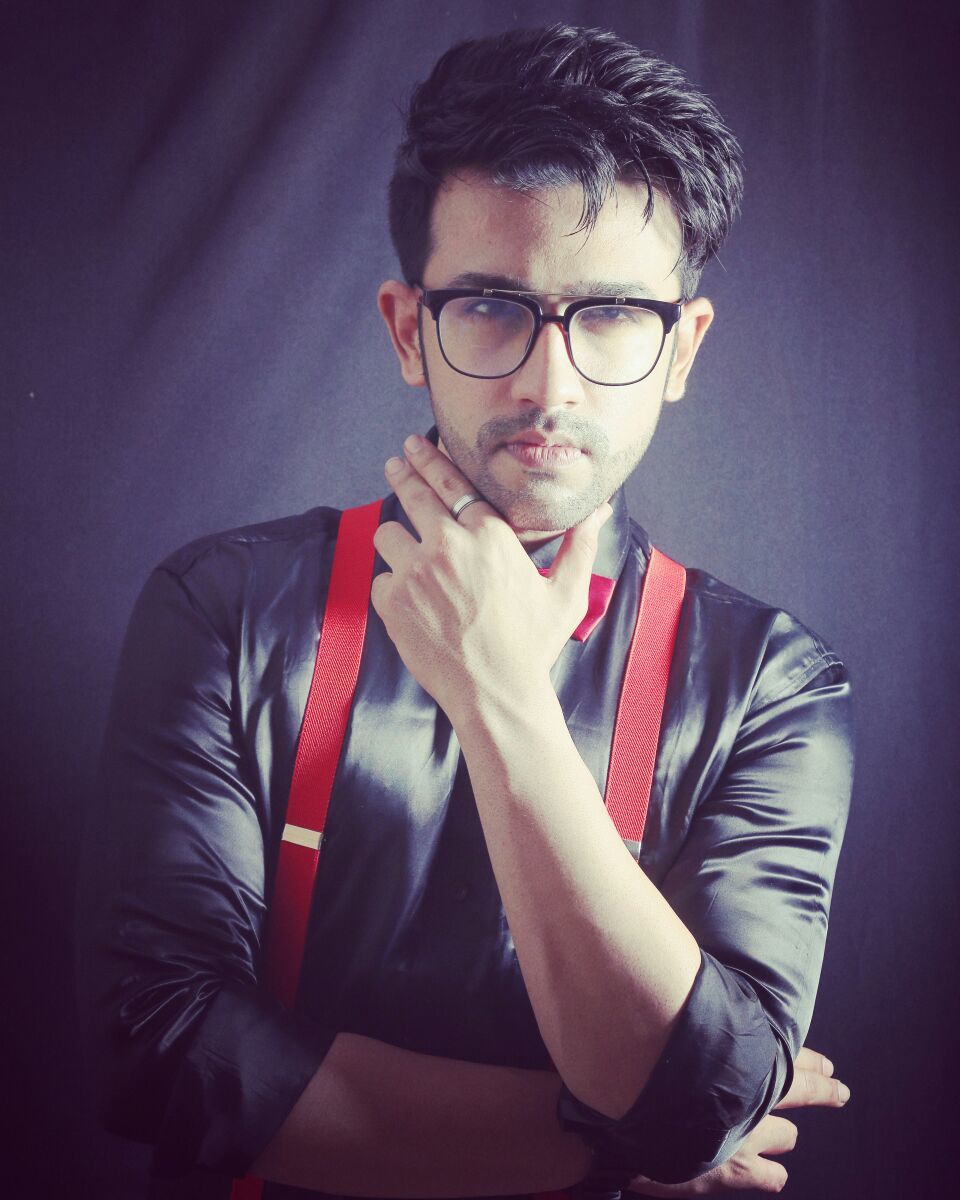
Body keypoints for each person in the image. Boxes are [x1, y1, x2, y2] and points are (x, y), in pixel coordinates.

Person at [77, 23, 853, 1200]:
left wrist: (501, 695)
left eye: (612, 315)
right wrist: (631, 1147)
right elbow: (161, 1054)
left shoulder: (770, 685)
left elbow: (705, 1093)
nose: (550, 382)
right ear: (409, 329)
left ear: (681, 351)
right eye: (492, 305)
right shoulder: (226, 613)